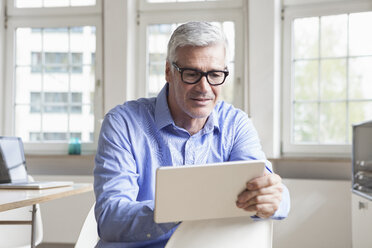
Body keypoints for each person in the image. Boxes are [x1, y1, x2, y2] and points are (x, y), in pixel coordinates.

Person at [94, 21, 290, 248]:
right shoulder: (123, 123)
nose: (204, 87)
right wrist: (185, 207)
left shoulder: (236, 124)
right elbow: (110, 218)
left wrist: (273, 198)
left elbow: (274, 194)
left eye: (215, 74)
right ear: (169, 71)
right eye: (191, 74)